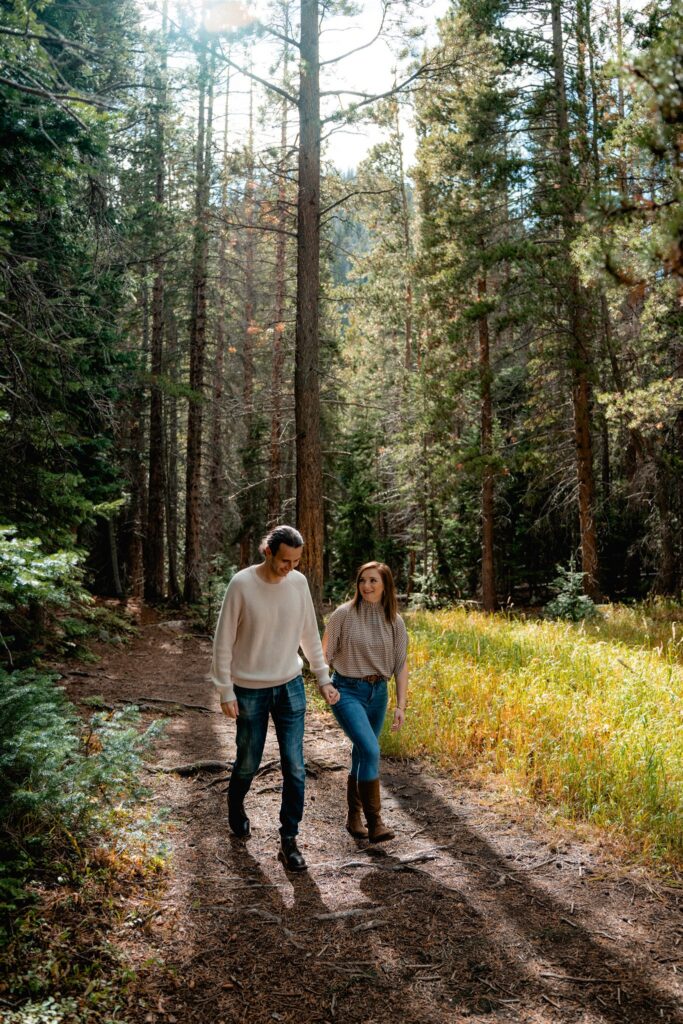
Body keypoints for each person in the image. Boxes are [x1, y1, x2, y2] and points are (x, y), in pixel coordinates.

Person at [210, 525, 339, 872]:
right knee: (248, 762)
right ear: (267, 552)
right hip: (249, 688)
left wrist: (323, 677)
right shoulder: (241, 584)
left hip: (290, 685)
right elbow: (223, 641)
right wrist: (225, 689)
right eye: (285, 560)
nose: (290, 568)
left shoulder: (298, 583)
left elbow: (309, 633)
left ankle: (289, 840)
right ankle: (235, 804)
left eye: (296, 561)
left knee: (295, 766)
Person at [322, 561, 408, 843]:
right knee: (371, 749)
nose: (367, 586)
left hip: (378, 693)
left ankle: (353, 817)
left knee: (361, 753)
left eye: (373, 581)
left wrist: (400, 705)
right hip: (346, 690)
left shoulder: (394, 620)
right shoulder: (343, 615)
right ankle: (376, 822)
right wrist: (325, 686)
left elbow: (401, 665)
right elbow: (323, 654)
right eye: (362, 580)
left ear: (385, 586)